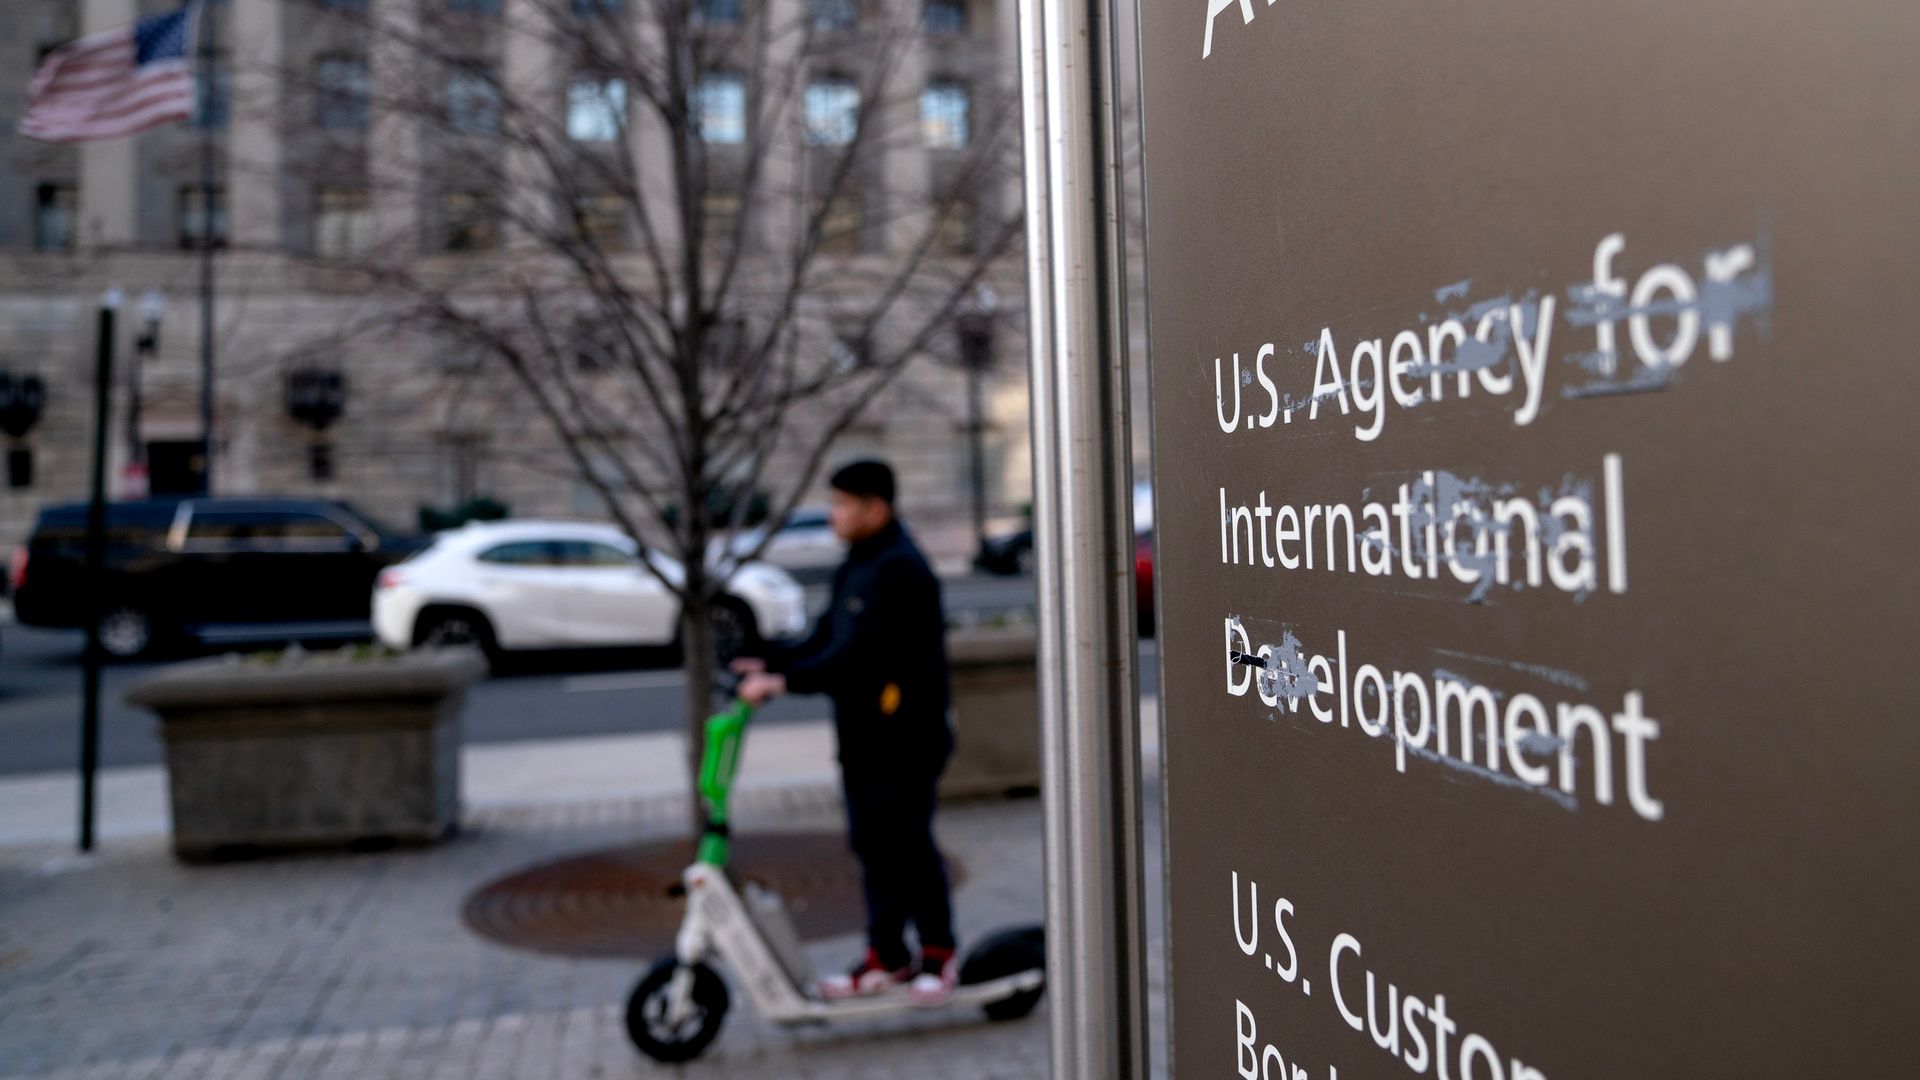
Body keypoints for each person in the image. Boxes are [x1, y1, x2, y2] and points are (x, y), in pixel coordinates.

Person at [733, 459, 958, 1006]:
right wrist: (767, 660)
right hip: (864, 739)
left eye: (841, 505)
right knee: (875, 849)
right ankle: (887, 957)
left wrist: (785, 683)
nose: (832, 515)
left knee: (908, 848)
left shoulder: (900, 569)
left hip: (904, 739)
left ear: (875, 509)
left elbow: (858, 657)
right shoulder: (858, 564)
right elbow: (825, 637)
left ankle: (938, 955)